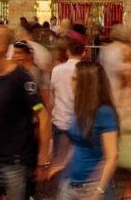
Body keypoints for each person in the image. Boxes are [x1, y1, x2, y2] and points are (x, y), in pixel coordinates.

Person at [0, 25, 51, 200]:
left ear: (0, 47)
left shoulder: (21, 78)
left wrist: (43, 159)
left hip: (14, 163)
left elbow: (42, 115)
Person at [49, 61, 119, 200]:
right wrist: (62, 163)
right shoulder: (81, 108)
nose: (70, 83)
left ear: (87, 84)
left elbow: (112, 157)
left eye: (75, 79)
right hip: (71, 183)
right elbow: (78, 143)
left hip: (91, 188)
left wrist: (98, 191)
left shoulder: (104, 112)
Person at [51, 35, 86, 163]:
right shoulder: (87, 71)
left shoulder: (57, 70)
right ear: (84, 53)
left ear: (67, 52)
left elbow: (52, 93)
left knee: (59, 160)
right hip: (81, 122)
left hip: (61, 119)